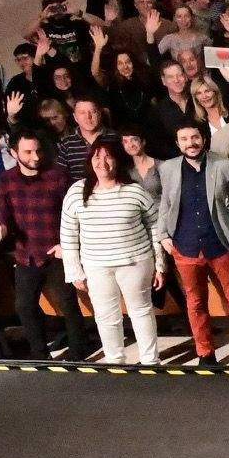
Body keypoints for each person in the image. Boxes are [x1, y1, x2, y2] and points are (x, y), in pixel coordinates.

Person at [154, 118, 229, 364]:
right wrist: (163, 235)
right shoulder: (167, 168)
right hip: (185, 247)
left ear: (203, 138)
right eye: (185, 139)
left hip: (221, 244)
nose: (191, 143)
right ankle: (205, 353)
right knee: (195, 302)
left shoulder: (224, 165)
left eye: (195, 137)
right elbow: (165, 204)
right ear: (177, 143)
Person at [60, 138, 162, 365]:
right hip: (96, 266)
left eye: (108, 156)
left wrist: (160, 265)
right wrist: (74, 271)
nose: (102, 162)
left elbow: (155, 227)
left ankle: (150, 361)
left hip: (135, 263)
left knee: (141, 311)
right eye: (97, 156)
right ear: (90, 160)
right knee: (106, 316)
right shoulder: (77, 192)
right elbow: (68, 234)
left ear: (118, 160)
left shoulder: (134, 191)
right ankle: (115, 361)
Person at [0, 130, 89, 360]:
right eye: (28, 152)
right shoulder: (7, 179)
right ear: (14, 153)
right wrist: (1, 228)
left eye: (37, 150)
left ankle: (78, 352)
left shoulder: (58, 175)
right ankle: (39, 353)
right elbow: (4, 213)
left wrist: (69, 247)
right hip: (26, 254)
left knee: (68, 303)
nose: (35, 156)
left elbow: (74, 213)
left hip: (56, 251)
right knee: (24, 305)